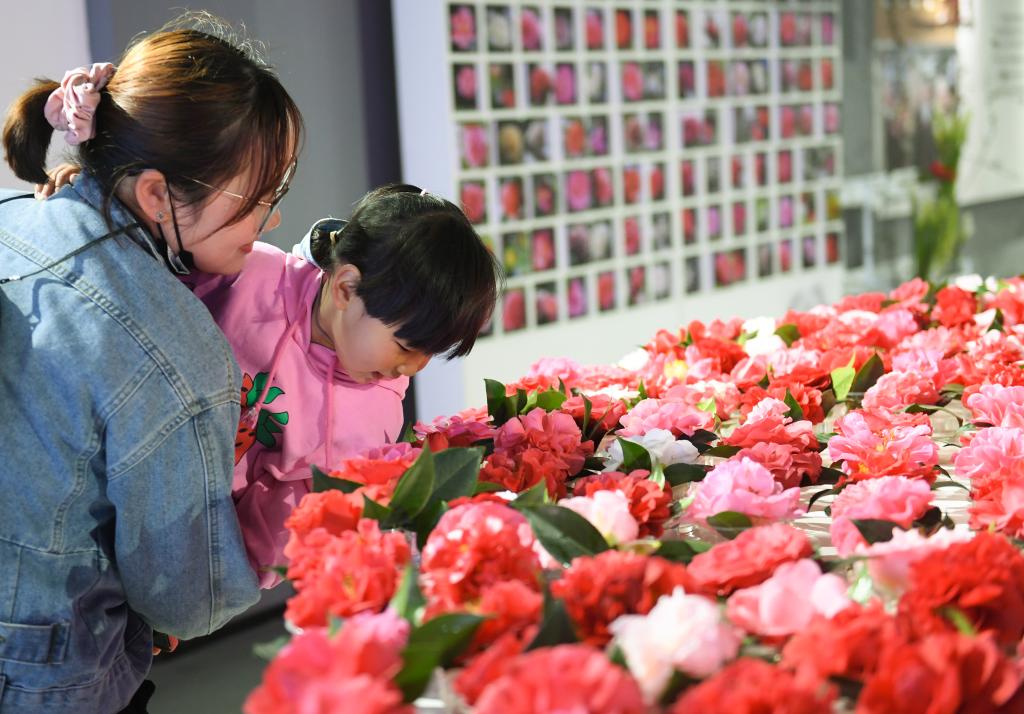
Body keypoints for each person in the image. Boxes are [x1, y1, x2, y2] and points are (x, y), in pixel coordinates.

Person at [0, 13, 303, 712]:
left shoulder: (14, 219)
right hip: (48, 675)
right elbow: (185, 601)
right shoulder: (171, 348)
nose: (272, 223)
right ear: (157, 194)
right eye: (261, 199)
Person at [186, 185, 500, 587]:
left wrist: (209, 587)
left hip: (197, 564)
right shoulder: (246, 277)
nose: (413, 368)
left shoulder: (376, 414)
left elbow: (275, 538)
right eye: (405, 345)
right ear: (346, 288)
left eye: (430, 354)